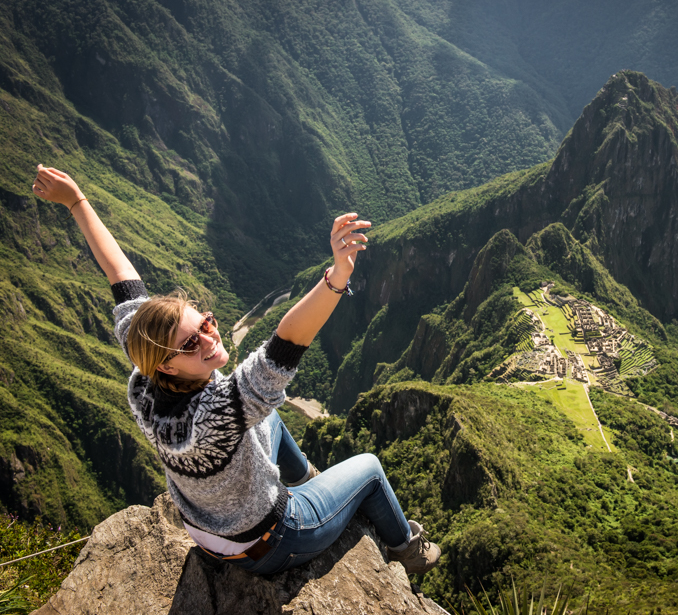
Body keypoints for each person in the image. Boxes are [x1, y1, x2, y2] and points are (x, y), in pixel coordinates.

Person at [31, 164, 440, 575]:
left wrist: (76, 202)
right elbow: (287, 340)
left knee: (272, 417)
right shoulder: (220, 412)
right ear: (168, 363)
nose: (210, 338)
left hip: (208, 533)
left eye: (205, 323)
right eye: (192, 343)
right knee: (368, 467)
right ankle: (408, 548)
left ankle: (304, 478)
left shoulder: (144, 376)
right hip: (277, 540)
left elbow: (121, 275)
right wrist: (338, 275)